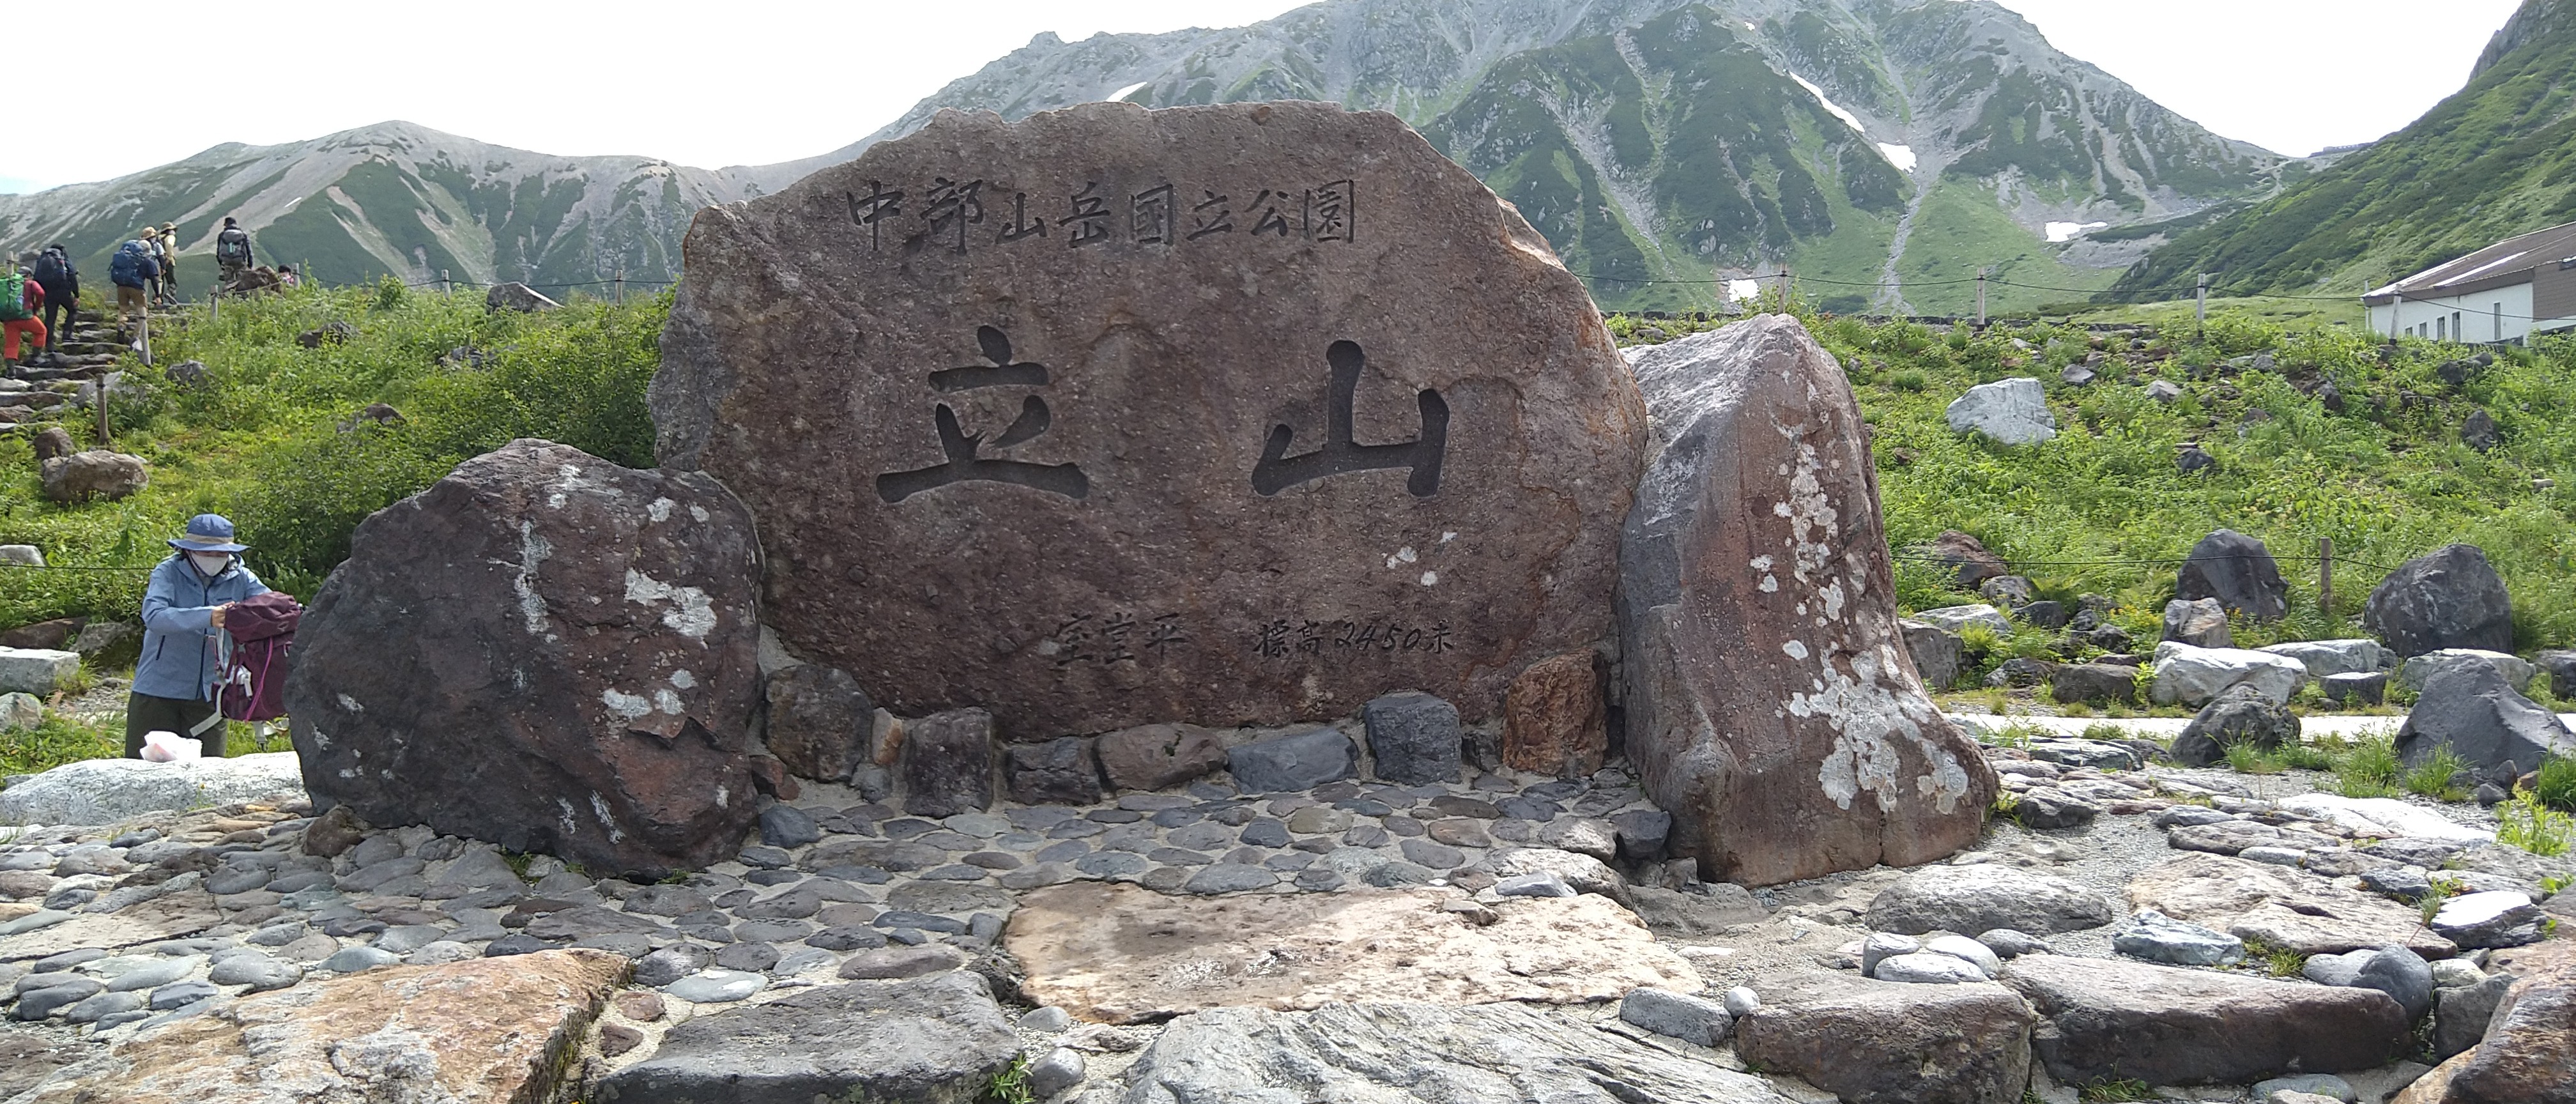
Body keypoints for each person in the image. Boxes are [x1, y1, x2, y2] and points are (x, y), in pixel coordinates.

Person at [129, 514, 270, 759]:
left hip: (211, 693)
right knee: (143, 768)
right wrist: (208, 616)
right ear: (188, 551)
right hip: (158, 691)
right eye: (207, 553)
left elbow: (269, 607)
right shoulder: (167, 572)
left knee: (208, 771)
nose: (214, 559)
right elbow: (155, 616)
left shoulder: (243, 577)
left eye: (220, 553)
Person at [28, 244, 76, 360]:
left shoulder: (43, 259)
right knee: (72, 310)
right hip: (63, 291)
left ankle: (49, 345)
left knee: (50, 318)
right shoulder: (62, 258)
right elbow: (72, 274)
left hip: (48, 293)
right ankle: (67, 335)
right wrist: (77, 294)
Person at [107, 234, 158, 341]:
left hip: (121, 286)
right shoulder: (147, 261)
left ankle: (121, 327)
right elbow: (154, 279)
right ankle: (136, 336)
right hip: (137, 288)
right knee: (142, 310)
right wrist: (157, 296)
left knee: (123, 310)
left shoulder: (126, 258)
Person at [0, 266, 45, 371]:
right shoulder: (30, 283)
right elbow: (41, 293)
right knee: (41, 331)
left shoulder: (7, 283)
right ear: (29, 275)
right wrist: (37, 307)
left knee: (11, 344)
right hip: (26, 316)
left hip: (9, 319)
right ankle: (36, 357)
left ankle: (11, 371)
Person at [215, 217, 253, 286]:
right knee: (242, 280)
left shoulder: (222, 235)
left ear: (226, 225)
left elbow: (218, 251)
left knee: (229, 282)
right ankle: (242, 294)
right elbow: (249, 251)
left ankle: (229, 294)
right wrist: (250, 265)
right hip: (240, 260)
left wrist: (222, 265)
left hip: (227, 261)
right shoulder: (243, 234)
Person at [153, 222, 181, 306]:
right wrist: (170, 257)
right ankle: (170, 294)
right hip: (167, 261)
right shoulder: (170, 237)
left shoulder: (158, 238)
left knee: (160, 281)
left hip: (158, 261)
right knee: (171, 280)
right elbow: (169, 245)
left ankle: (158, 298)